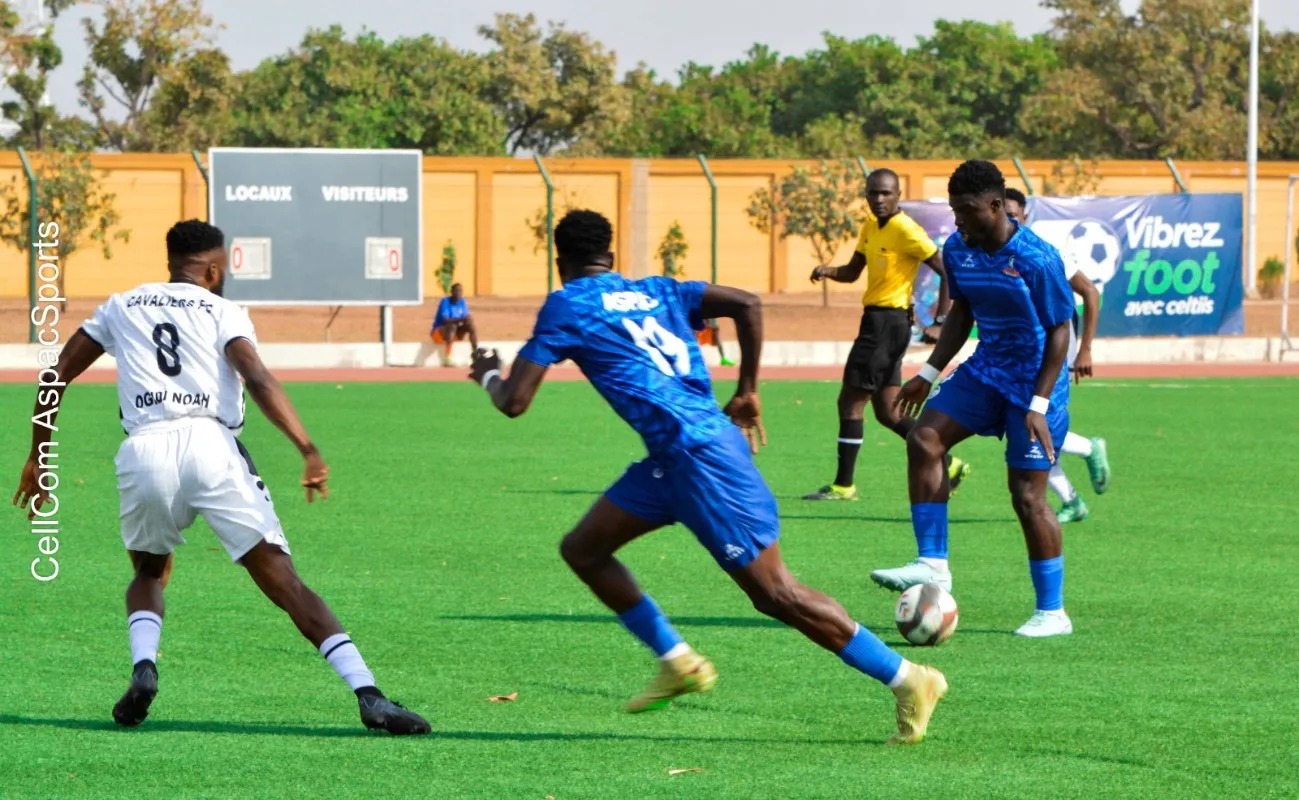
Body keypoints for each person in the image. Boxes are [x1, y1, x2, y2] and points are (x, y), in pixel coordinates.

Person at [468, 209, 948, 744]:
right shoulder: (658, 289)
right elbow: (747, 302)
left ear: (560, 261)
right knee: (583, 548)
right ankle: (676, 661)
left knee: (777, 595)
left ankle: (909, 679)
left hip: (700, 458)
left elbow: (514, 401)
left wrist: (487, 371)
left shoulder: (568, 304)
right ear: (612, 257)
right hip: (673, 458)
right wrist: (747, 388)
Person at [11, 219, 431, 734]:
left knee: (148, 573)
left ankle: (145, 667)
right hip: (212, 448)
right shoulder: (222, 309)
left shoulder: (122, 304)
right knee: (285, 582)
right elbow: (255, 375)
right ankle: (369, 695)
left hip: (144, 450)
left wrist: (38, 455)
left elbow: (56, 374)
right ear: (213, 268)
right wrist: (307, 447)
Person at [869, 161, 1076, 638]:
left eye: (966, 211)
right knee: (923, 439)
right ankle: (933, 565)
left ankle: (1052, 612)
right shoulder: (958, 248)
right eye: (953, 211)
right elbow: (961, 313)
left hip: (1035, 381)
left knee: (1027, 496)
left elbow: (1060, 330)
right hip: (986, 369)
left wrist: (1039, 405)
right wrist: (926, 373)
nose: (957, 221)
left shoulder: (1036, 259)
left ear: (997, 205)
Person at [804, 168, 969, 502]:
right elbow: (853, 273)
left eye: (886, 193)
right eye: (873, 193)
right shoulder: (870, 227)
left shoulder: (906, 229)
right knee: (887, 411)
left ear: (898, 196)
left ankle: (843, 485)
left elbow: (944, 270)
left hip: (887, 324)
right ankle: (948, 462)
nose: (879, 199)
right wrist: (828, 270)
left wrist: (940, 318)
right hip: (879, 322)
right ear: (866, 195)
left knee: (850, 400)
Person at [1004, 188, 1112, 522]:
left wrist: (1086, 350)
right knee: (1027, 435)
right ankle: (1072, 501)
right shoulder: (990, 254)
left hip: (1049, 352)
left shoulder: (1043, 252)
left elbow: (1089, 292)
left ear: (1025, 216)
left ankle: (1088, 448)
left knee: (1031, 429)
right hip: (1016, 358)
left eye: (1012, 213)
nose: (1006, 219)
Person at [431, 283, 479, 365]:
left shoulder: (462, 302)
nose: (458, 293)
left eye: (460, 291)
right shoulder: (445, 301)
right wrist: (461, 319)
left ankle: (476, 355)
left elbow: (465, 316)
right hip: (439, 333)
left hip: (455, 334)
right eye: (456, 291)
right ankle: (447, 358)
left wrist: (467, 319)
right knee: (452, 326)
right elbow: (445, 320)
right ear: (451, 292)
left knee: (471, 325)